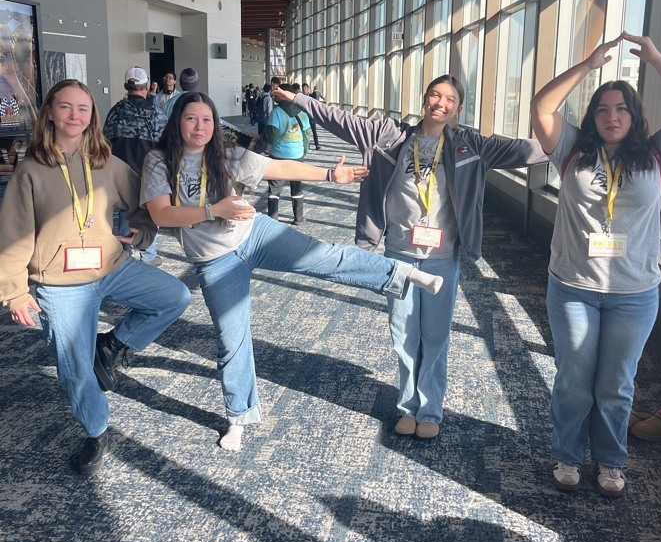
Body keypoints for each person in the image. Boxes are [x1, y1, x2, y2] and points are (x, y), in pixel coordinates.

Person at [140, 92, 444, 453]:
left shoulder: (226, 154)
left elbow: (278, 168)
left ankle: (402, 272)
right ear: (177, 121)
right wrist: (213, 210)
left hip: (255, 234)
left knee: (325, 257)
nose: (200, 127)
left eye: (207, 119)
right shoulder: (159, 162)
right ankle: (239, 417)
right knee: (231, 338)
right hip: (214, 260)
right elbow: (162, 215)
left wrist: (331, 174)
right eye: (191, 119)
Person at [273, 75, 546, 439]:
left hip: (442, 257)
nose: (440, 103)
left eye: (450, 99)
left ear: (458, 108)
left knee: (435, 336)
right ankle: (406, 406)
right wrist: (300, 100)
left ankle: (430, 408)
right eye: (435, 94)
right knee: (403, 332)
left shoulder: (468, 145)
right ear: (424, 98)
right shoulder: (391, 135)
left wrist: (570, 142)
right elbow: (340, 119)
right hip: (399, 254)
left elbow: (523, 151)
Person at [529, 32, 661, 498]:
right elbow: (542, 107)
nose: (612, 116)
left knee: (616, 383)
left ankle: (611, 461)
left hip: (634, 294)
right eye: (603, 109)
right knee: (574, 380)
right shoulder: (572, 148)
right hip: (572, 286)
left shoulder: (658, 153)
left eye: (622, 109)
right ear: (592, 117)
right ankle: (567, 455)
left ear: (635, 116)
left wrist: (656, 58)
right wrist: (587, 66)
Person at [0, 79, 191, 475]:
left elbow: (146, 208)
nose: (74, 116)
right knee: (75, 368)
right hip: (59, 283)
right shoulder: (31, 170)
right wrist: (15, 292)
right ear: (50, 112)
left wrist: (140, 233)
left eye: (83, 109)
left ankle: (115, 345)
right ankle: (96, 430)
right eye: (66, 107)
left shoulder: (107, 163)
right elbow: (13, 235)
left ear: (93, 116)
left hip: (111, 268)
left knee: (174, 296)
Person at [103, 66, 166, 266]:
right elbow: (165, 144)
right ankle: (148, 254)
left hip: (120, 174)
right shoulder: (157, 113)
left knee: (123, 212)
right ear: (147, 86)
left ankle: (123, 251)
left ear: (126, 86)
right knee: (149, 213)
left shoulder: (116, 112)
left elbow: (105, 142)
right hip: (149, 174)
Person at [265, 84, 311, 224]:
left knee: (274, 189)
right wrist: (303, 150)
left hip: (278, 156)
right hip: (297, 155)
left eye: (277, 94)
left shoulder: (276, 113)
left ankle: (273, 220)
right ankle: (299, 218)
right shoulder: (302, 113)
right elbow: (307, 135)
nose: (275, 96)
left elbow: (271, 136)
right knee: (296, 187)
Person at [302, 82, 322, 150]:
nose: (304, 89)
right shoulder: (301, 97)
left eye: (305, 88)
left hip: (311, 115)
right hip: (304, 116)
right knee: (305, 130)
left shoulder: (311, 96)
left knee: (314, 130)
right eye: (303, 88)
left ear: (308, 89)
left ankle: (317, 144)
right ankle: (307, 144)